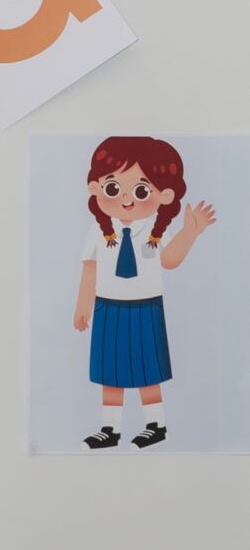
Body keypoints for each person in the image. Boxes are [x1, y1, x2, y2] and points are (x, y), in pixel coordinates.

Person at [73, 134, 215, 449]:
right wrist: (83, 306)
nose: (127, 199)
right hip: (107, 308)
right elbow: (90, 268)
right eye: (113, 188)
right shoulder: (98, 231)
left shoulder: (155, 231)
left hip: (146, 309)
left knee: (147, 369)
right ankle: (110, 429)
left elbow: (169, 260)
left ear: (164, 195)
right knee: (109, 370)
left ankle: (156, 425)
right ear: (95, 187)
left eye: (141, 190)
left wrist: (190, 232)